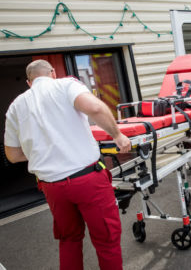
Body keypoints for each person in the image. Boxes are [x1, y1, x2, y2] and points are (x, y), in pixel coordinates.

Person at [4, 60, 131, 270]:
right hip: (88, 180)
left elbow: (13, 155)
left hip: (52, 187)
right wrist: (117, 135)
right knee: (106, 240)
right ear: (53, 73)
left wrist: (44, 150)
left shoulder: (16, 106)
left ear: (29, 82)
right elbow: (95, 107)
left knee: (69, 240)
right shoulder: (65, 86)